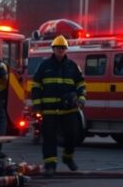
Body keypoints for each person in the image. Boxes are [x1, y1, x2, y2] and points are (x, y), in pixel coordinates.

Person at [30, 35, 86, 177]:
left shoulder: (73, 66)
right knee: (49, 138)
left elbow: (81, 84)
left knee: (72, 135)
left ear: (66, 49)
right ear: (53, 49)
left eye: (62, 48)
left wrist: (81, 98)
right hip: (49, 110)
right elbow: (36, 86)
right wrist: (37, 105)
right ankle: (50, 166)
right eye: (57, 48)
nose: (60, 50)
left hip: (69, 110)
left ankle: (68, 157)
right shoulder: (44, 66)